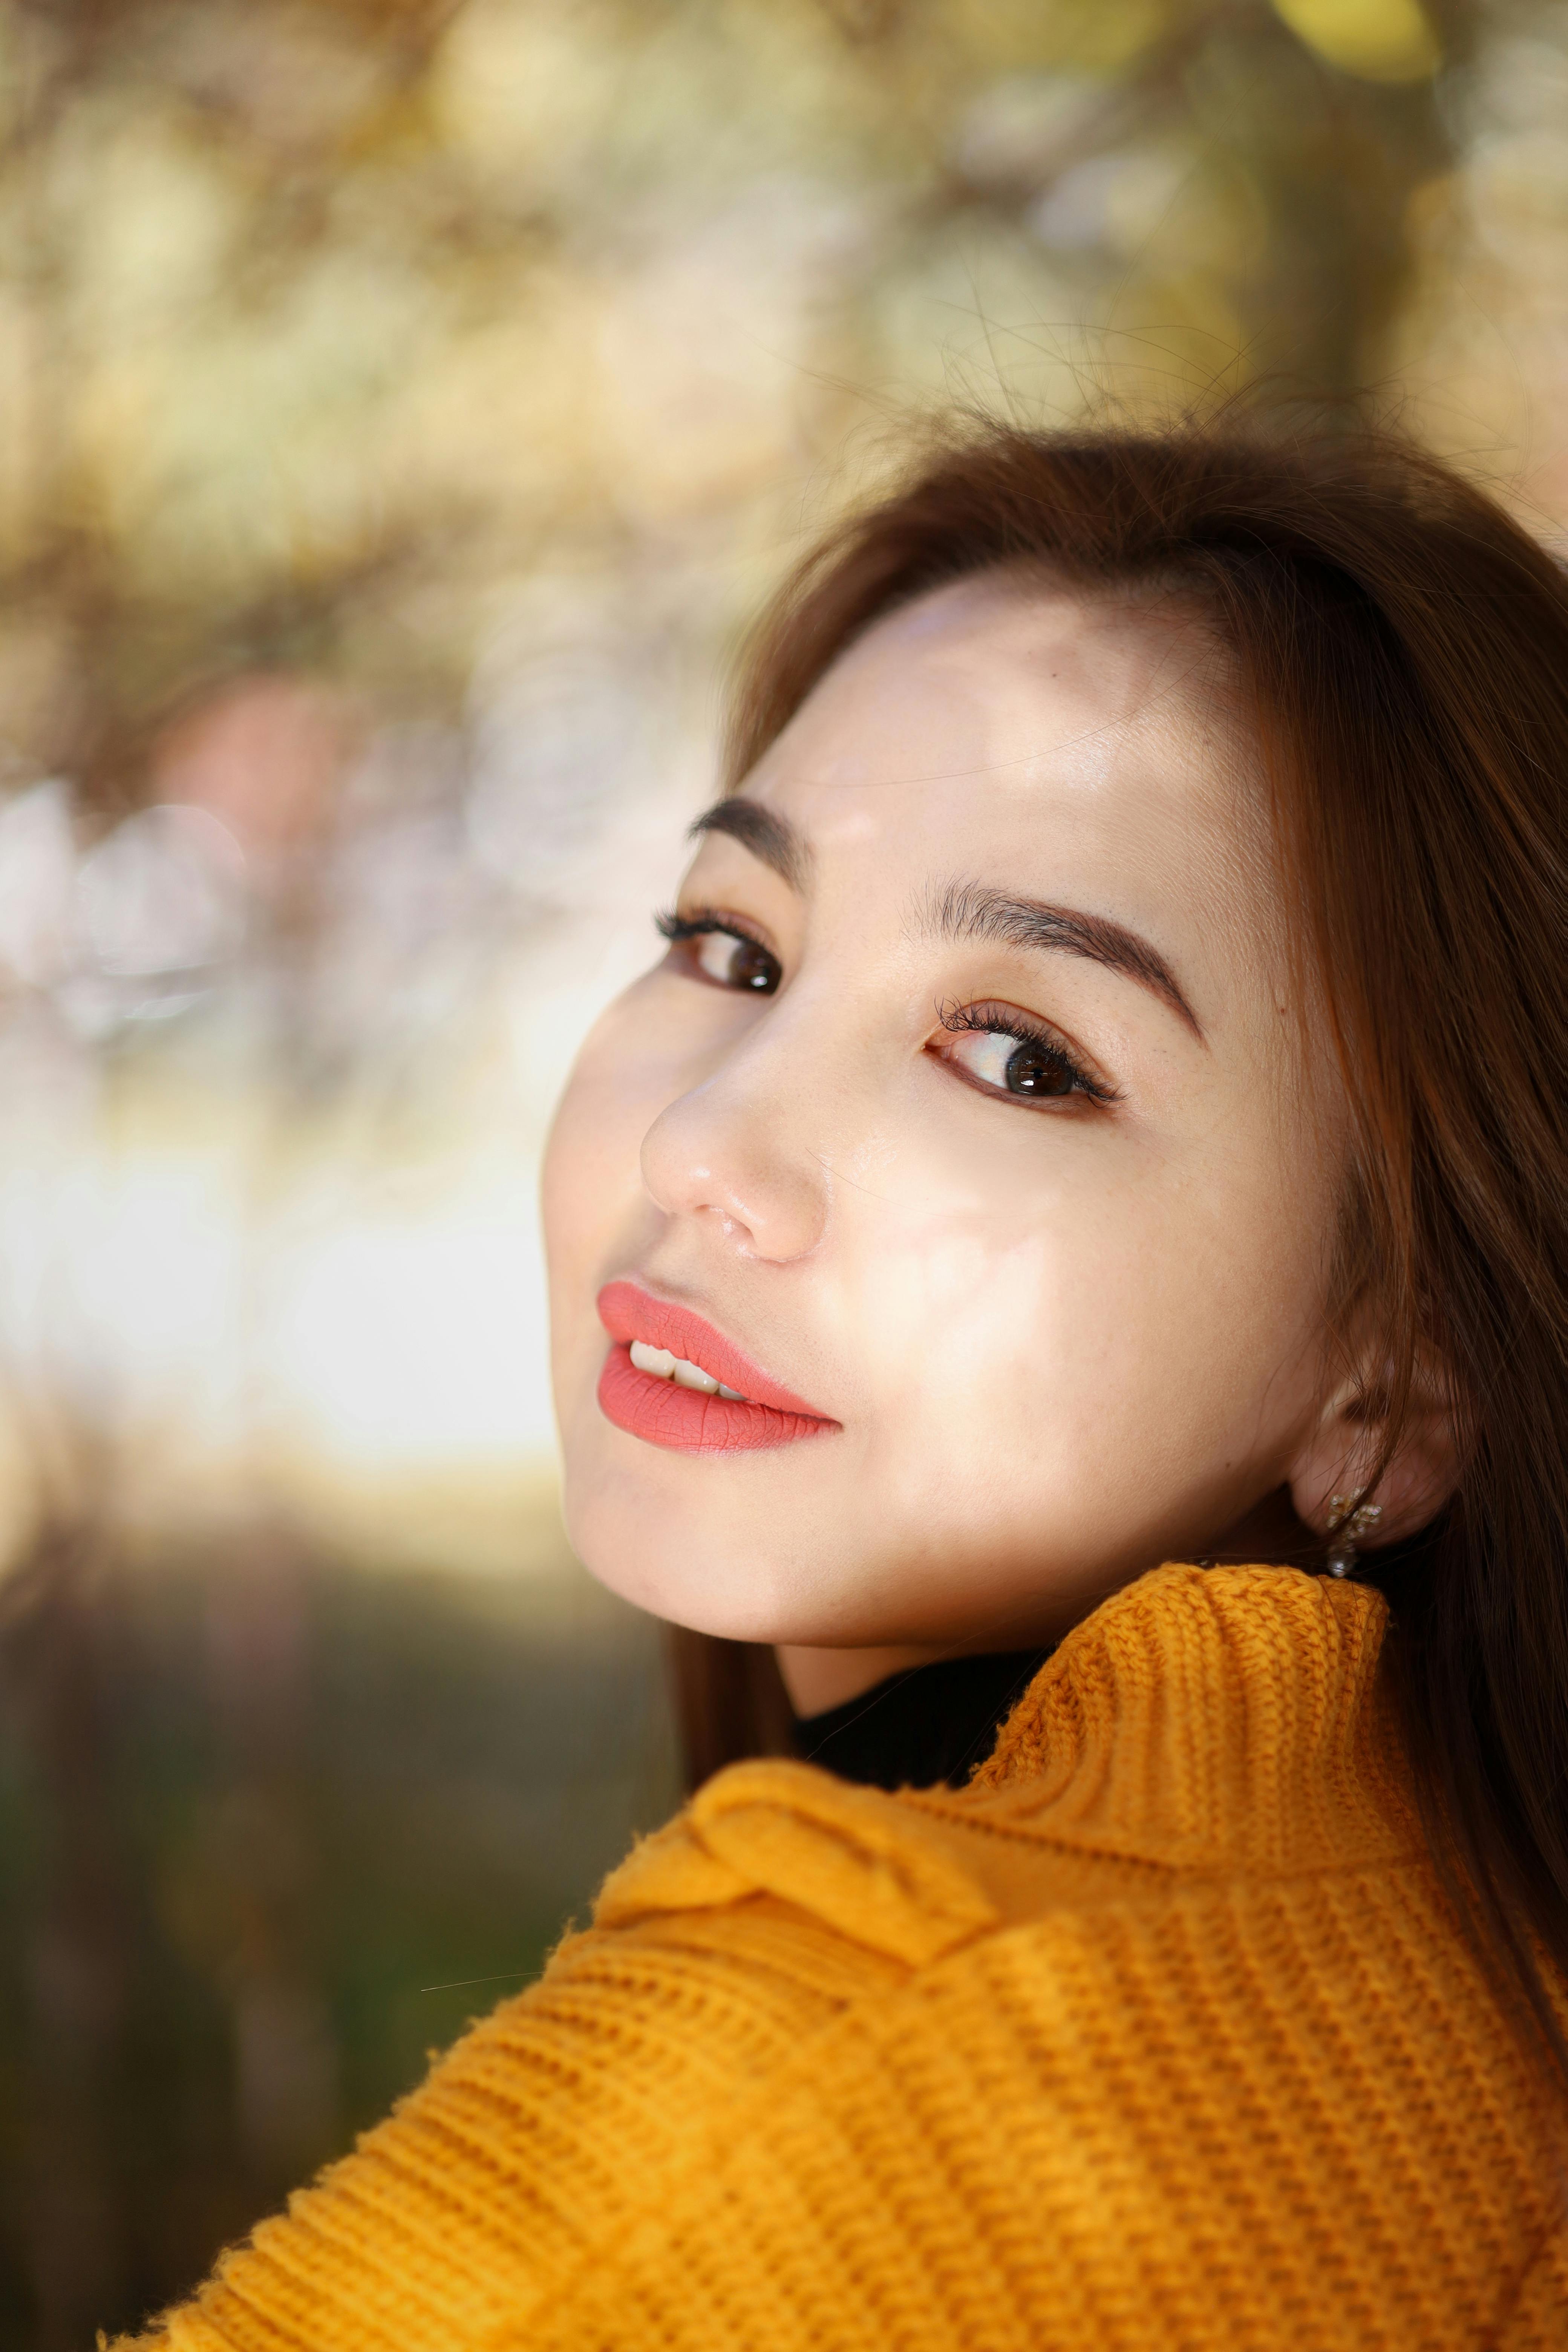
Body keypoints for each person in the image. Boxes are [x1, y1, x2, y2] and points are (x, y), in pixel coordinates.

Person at [116, 421, 1567, 2350]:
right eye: (733, 945)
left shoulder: (817, 2075)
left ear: (1399, 1378)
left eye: (1021, 1058)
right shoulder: (1446, 1959)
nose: (707, 1145)